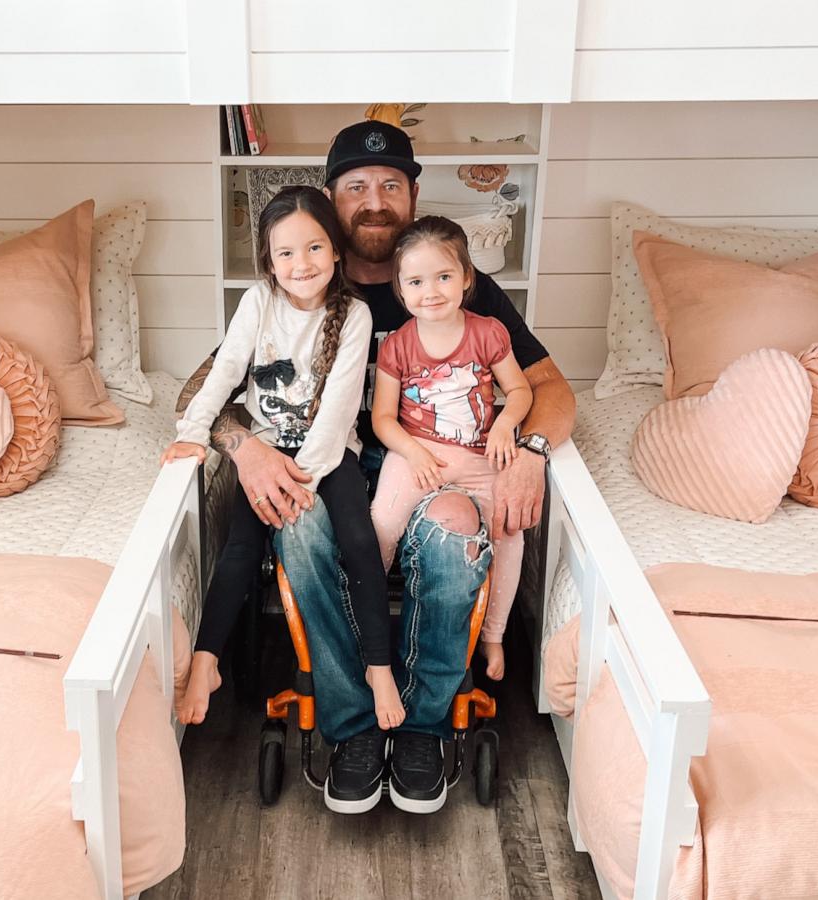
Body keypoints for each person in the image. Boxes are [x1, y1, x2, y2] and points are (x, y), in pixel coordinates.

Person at [180, 121, 576, 815]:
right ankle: (353, 725)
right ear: (331, 205)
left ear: (414, 195)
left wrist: (532, 455)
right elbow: (200, 392)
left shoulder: (448, 285)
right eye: (356, 187)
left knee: (456, 531)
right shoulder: (298, 293)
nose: (375, 201)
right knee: (297, 525)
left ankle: (423, 725)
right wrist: (245, 449)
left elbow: (554, 391)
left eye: (391, 185)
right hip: (328, 470)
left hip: (434, 472)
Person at [163, 186, 399, 749]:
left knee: (360, 540)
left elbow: (339, 409)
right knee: (241, 547)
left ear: (336, 251)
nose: (301, 265)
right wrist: (192, 435)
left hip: (328, 455)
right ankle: (206, 659)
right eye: (286, 253)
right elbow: (223, 374)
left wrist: (300, 484)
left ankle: (379, 667)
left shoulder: (356, 316)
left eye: (314, 248)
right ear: (268, 259)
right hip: (268, 449)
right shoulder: (257, 302)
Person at [370, 216, 531, 685]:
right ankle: (366, 620)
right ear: (401, 289)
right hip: (417, 451)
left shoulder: (488, 332)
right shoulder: (398, 346)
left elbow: (519, 390)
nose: (431, 291)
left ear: (466, 278)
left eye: (443, 277)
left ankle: (494, 633)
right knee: (382, 522)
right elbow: (383, 418)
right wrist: (414, 455)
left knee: (509, 530)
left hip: (481, 457)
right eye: (416, 281)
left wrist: (505, 425)